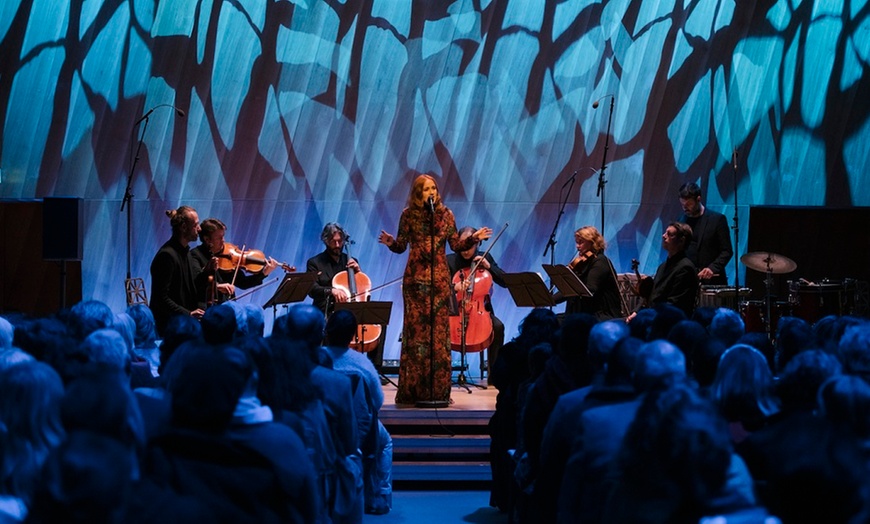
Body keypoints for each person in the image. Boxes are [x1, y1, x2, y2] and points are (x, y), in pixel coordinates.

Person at [378, 173, 491, 405]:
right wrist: (391, 243)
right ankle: (413, 391)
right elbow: (401, 245)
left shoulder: (446, 215)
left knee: (438, 335)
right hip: (415, 281)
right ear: (419, 193)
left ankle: (437, 391)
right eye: (427, 189)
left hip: (439, 280)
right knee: (416, 335)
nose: (432, 193)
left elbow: (456, 244)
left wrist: (473, 239)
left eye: (434, 188)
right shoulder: (408, 216)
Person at [447, 226, 507, 385]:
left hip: (480, 311)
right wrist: (454, 287)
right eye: (463, 245)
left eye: (470, 246)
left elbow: (505, 282)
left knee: (498, 327)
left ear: (477, 244)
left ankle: (494, 377)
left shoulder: (484, 258)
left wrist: (489, 267)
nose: (466, 250)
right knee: (439, 329)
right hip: (454, 310)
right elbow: (438, 287)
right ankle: (442, 375)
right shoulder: (450, 260)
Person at [191, 218, 280, 305]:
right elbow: (195, 283)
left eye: (223, 236)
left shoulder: (230, 258)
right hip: (206, 308)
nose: (223, 241)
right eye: (220, 238)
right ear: (207, 239)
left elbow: (243, 283)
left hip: (228, 306)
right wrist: (217, 286)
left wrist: (264, 273)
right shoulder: (195, 255)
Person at [149, 206, 204, 336]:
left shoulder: (186, 253)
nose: (200, 229)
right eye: (196, 225)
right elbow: (160, 298)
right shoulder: (167, 256)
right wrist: (188, 314)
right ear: (183, 227)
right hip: (171, 328)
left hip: (183, 324)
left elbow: (192, 286)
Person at [627, 222, 699, 320]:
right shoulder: (662, 266)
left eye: (670, 234)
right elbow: (651, 295)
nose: (663, 236)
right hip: (656, 317)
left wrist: (647, 316)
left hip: (668, 323)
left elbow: (674, 305)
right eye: (665, 233)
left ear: (681, 241)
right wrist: (636, 312)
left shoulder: (685, 268)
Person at [553, 226, 623, 320]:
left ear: (592, 242)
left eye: (581, 242)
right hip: (583, 313)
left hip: (600, 315)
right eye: (577, 242)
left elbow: (590, 289)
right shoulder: (583, 263)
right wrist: (550, 300)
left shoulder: (600, 262)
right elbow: (569, 290)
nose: (577, 246)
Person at [677, 182, 733, 285]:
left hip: (712, 282)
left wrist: (712, 268)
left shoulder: (717, 220)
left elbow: (727, 251)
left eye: (689, 204)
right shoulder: (681, 221)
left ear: (698, 199)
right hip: (687, 281)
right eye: (682, 205)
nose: (685, 208)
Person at [307, 223, 362, 315]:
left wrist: (359, 273)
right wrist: (331, 290)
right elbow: (312, 289)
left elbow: (362, 288)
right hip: (324, 312)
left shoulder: (352, 261)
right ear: (326, 241)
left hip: (348, 312)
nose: (337, 245)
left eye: (340, 241)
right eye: (333, 242)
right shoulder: (314, 262)